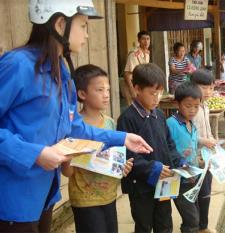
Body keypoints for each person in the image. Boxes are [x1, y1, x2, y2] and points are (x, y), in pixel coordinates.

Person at [0, 1, 152, 232]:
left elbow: (74, 128)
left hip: (44, 196)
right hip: (14, 200)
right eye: (83, 26)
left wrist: (122, 138)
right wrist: (35, 153)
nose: (88, 35)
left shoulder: (61, 72)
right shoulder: (18, 65)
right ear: (61, 24)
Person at [61, 64, 134, 233]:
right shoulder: (73, 126)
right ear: (82, 94)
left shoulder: (109, 122)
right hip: (85, 199)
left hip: (108, 196)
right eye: (100, 90)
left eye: (108, 90)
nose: (106, 95)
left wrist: (122, 166)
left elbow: (113, 160)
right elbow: (67, 172)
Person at [117, 63, 186, 233]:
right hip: (141, 187)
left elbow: (169, 144)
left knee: (164, 223)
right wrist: (152, 168)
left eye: (160, 92)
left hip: (164, 183)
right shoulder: (127, 118)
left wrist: (180, 162)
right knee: (144, 224)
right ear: (137, 89)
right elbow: (126, 155)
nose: (157, 98)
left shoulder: (160, 115)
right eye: (152, 93)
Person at [167, 82, 202, 233]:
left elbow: (193, 148)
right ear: (177, 104)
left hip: (193, 178)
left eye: (196, 106)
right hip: (178, 180)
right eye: (188, 106)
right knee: (191, 218)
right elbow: (166, 150)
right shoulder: (170, 124)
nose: (193, 110)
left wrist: (200, 162)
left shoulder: (192, 124)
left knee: (194, 217)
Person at [190, 70, 218, 233]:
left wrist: (213, 140)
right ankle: (198, 226)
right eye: (204, 88)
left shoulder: (205, 106)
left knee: (206, 193)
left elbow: (206, 130)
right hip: (196, 159)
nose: (208, 92)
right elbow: (189, 136)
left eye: (211, 88)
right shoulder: (193, 109)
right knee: (198, 193)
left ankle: (203, 226)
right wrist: (205, 141)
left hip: (207, 158)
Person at [123, 31, 151, 106]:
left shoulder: (147, 54)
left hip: (141, 86)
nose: (146, 42)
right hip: (132, 85)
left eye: (148, 39)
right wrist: (132, 90)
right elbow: (127, 74)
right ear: (139, 41)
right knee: (134, 110)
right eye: (143, 39)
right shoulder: (133, 54)